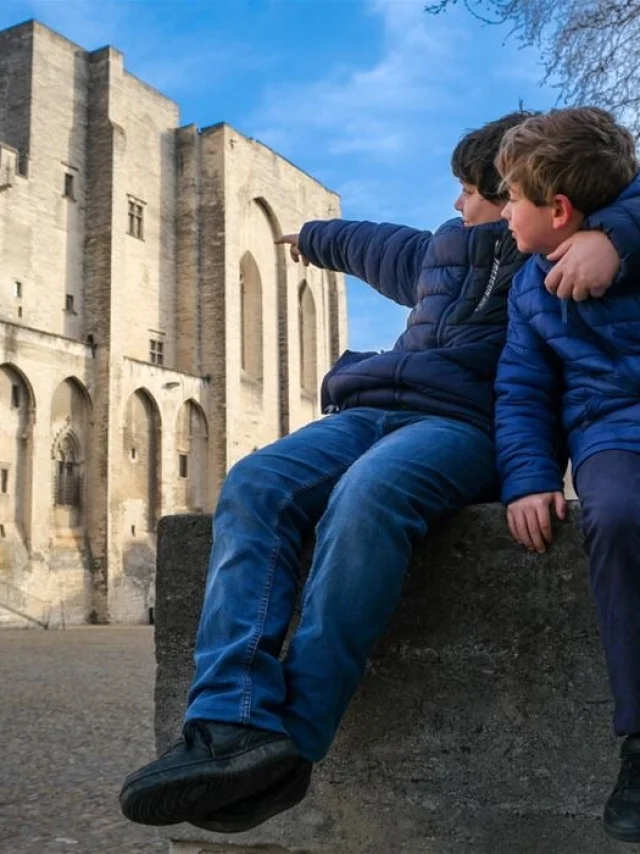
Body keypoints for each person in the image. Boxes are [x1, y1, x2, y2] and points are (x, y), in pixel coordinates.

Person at [119, 110, 628, 835]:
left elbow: (623, 207)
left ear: (515, 190)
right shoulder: (438, 254)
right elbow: (369, 243)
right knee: (256, 483)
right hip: (368, 411)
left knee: (370, 497)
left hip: (462, 430)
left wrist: (610, 237)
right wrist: (312, 240)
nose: (457, 204)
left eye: (469, 190)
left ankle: (294, 740)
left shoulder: (558, 255)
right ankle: (227, 725)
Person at [494, 106, 640, 844]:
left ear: (556, 208)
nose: (501, 212)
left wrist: (618, 237)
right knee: (613, 516)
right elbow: (523, 391)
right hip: (614, 434)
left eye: (511, 199)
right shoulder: (527, 289)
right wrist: (527, 477)